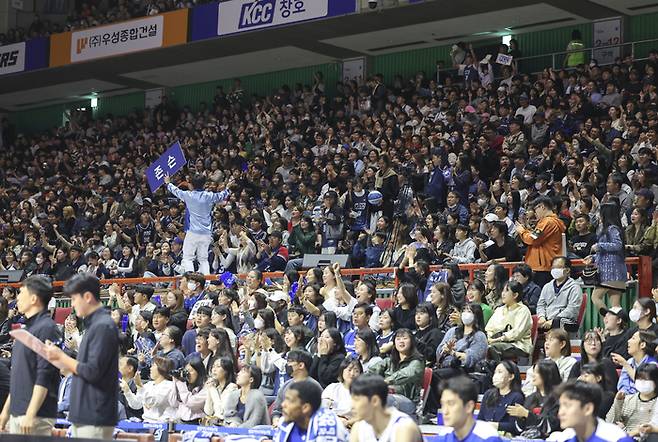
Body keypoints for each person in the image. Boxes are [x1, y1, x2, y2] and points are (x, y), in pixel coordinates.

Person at [43, 274, 119, 439]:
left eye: (74, 298)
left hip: (95, 414)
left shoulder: (103, 326)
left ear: (87, 297)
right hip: (84, 412)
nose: (72, 304)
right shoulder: (94, 325)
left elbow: (93, 371)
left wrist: (62, 357)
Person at [0, 276, 60, 436]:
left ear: (33, 298)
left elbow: (44, 376)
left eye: (21, 292)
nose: (17, 297)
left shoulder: (47, 328)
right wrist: (5, 412)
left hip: (35, 415)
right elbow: (18, 376)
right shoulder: (25, 330)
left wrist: (31, 413)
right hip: (18, 411)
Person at [165, 173, 232, 275]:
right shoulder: (209, 196)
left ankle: (191, 282)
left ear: (192, 184)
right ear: (204, 184)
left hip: (192, 232)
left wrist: (168, 183)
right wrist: (227, 188)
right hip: (206, 233)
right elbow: (222, 195)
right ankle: (207, 282)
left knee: (188, 258)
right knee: (203, 259)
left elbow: (176, 191)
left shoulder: (188, 195)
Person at [349, 374, 422, 442]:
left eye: (356, 400)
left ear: (375, 401)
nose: (352, 406)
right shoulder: (358, 427)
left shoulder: (404, 427)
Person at [368, 328, 424, 416]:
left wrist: (386, 382)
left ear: (412, 342)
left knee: (383, 399)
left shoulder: (418, 362)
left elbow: (407, 374)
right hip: (387, 395)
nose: (401, 341)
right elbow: (371, 371)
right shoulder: (389, 361)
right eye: (398, 339)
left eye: (405, 338)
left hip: (409, 401)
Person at [273, 379, 349, 442]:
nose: (283, 405)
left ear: (305, 408)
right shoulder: (286, 421)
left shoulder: (326, 427)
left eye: (290, 401)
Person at [558, 381, 633, 442]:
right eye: (560, 406)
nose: (560, 413)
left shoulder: (617, 439)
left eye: (567, 406)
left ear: (588, 409)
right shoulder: (562, 438)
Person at [515, 197, 566, 287]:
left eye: (535, 209)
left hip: (543, 267)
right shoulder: (549, 221)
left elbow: (532, 239)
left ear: (542, 207)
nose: (535, 213)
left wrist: (522, 231)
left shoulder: (548, 221)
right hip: (542, 266)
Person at [435, 376, 503, 442]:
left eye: (451, 404)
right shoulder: (443, 435)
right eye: (443, 404)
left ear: (469, 407)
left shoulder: (488, 437)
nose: (445, 411)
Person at [587, 202, 627, 311]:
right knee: (616, 306)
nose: (599, 216)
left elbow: (617, 245)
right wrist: (593, 257)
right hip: (617, 272)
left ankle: (609, 319)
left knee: (595, 297)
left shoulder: (611, 229)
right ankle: (619, 326)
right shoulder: (615, 228)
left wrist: (598, 245)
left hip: (609, 272)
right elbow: (608, 252)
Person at [606, 363, 658, 437]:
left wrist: (625, 430)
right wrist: (618, 402)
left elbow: (651, 428)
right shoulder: (627, 399)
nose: (642, 382)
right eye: (639, 379)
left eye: (646, 379)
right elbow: (609, 422)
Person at [512, 359, 561, 437]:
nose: (533, 375)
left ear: (548, 374)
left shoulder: (559, 399)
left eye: (537, 372)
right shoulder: (530, 398)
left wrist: (527, 414)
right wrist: (521, 418)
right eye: (533, 372)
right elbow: (519, 429)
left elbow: (551, 426)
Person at [271, 349, 321, 425]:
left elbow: (318, 413)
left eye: (290, 362)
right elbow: (277, 410)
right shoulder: (286, 385)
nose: (287, 365)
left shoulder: (314, 387)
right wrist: (276, 420)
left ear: (301, 365)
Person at [486, 280, 532, 361]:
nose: (503, 294)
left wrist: (497, 339)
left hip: (518, 345)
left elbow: (517, 333)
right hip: (497, 342)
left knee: (492, 348)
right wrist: (489, 337)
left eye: (506, 291)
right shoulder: (499, 310)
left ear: (515, 295)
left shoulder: (523, 310)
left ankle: (499, 369)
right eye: (503, 291)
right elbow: (489, 328)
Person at [523, 328, 577, 395]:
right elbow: (527, 389)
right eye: (546, 340)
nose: (546, 343)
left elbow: (568, 388)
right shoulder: (540, 364)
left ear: (562, 344)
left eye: (551, 340)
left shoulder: (570, 363)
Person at [535, 256, 582, 332]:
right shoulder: (547, 286)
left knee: (557, 323)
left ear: (567, 270)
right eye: (553, 267)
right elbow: (541, 305)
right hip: (547, 319)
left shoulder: (574, 287)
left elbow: (572, 309)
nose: (555, 270)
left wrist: (554, 320)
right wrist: (541, 317)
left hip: (564, 320)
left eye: (558, 267)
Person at [477, 361, 525, 433]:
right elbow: (480, 418)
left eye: (500, 372)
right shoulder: (488, 394)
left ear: (511, 376)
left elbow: (514, 426)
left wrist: (495, 425)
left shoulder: (517, 397)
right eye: (495, 372)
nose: (496, 375)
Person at [613, 330, 657, 394]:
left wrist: (625, 365)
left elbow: (644, 387)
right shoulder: (630, 361)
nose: (628, 341)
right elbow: (622, 385)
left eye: (633, 338)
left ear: (642, 345)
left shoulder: (653, 364)